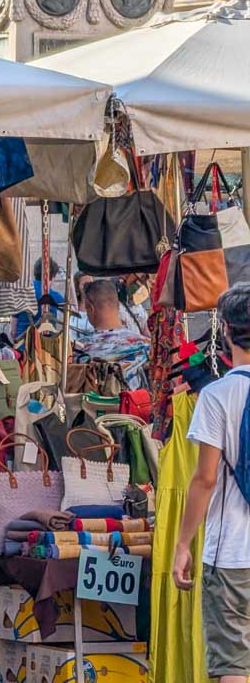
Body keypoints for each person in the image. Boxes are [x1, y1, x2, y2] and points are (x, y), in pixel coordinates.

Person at [173, 284, 250, 683]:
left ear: (226, 332)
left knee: (234, 665)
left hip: (233, 554)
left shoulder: (217, 396)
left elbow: (204, 480)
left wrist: (183, 544)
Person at [72, 277, 149, 389]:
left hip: (95, 405)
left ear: (90, 309)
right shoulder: (146, 346)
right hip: (139, 404)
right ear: (118, 305)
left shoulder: (79, 351)